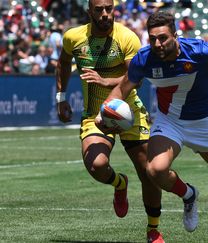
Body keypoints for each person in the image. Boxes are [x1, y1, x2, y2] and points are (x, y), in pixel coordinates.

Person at [99, 11, 208, 243]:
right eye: (153, 38)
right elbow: (122, 88)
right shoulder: (144, 59)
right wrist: (104, 112)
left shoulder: (198, 50)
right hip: (169, 122)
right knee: (154, 170)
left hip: (204, 123)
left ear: (176, 35)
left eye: (164, 38)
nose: (158, 43)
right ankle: (189, 195)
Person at [55, 0, 164, 242]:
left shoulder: (127, 37)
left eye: (109, 9)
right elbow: (62, 63)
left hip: (129, 111)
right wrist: (61, 97)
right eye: (99, 10)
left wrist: (105, 82)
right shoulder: (73, 37)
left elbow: (135, 78)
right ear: (89, 11)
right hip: (95, 114)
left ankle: (153, 229)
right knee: (96, 166)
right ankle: (119, 183)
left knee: (148, 172)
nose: (105, 14)